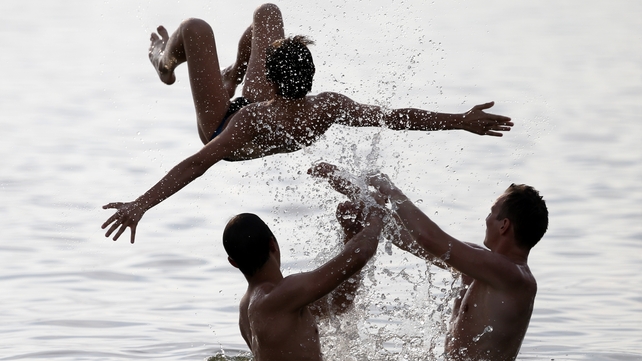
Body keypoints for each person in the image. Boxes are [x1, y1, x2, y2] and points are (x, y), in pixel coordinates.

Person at [102, 3, 514, 243]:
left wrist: (141, 205)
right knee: (268, 12)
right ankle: (229, 76)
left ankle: (164, 62)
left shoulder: (251, 118)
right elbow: (397, 118)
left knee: (195, 27)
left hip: (219, 123)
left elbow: (197, 162)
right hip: (261, 109)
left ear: (268, 77)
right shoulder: (329, 107)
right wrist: (460, 120)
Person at [362, 173, 549, 361]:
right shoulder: (483, 267)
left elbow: (429, 238)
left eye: (491, 212)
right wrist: (370, 208)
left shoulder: (513, 275)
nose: (486, 219)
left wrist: (391, 190)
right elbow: (412, 240)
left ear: (504, 226)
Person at [222, 198, 385, 361]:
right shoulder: (283, 294)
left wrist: (350, 234)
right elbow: (360, 253)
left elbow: (338, 304)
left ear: (233, 262)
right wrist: (376, 216)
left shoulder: (248, 310)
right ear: (272, 244)